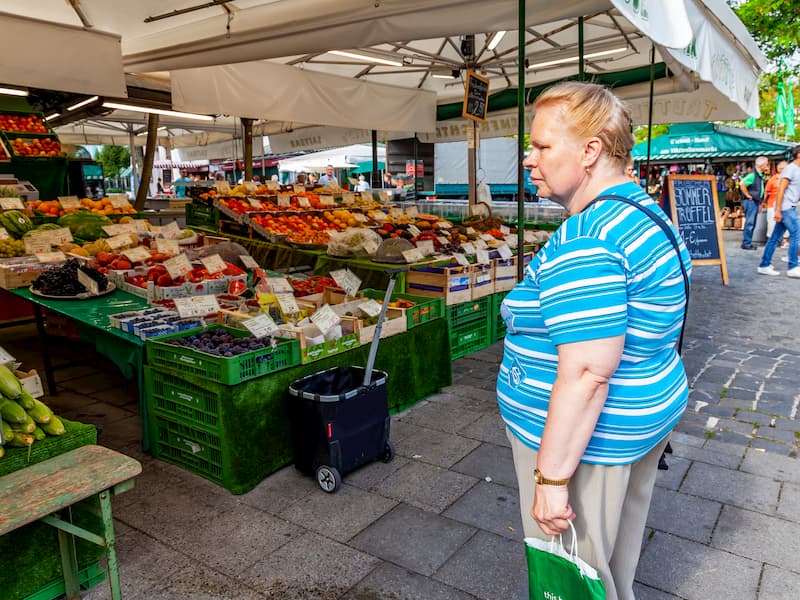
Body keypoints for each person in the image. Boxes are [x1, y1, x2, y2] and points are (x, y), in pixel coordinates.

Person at [497, 81, 691, 600]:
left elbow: (586, 374)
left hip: (589, 446)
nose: (528, 159)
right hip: (640, 422)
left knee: (576, 580)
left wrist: (553, 482)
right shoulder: (646, 213)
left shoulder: (587, 238)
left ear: (590, 151)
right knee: (609, 569)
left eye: (541, 146)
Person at [757, 146, 800, 278]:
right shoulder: (791, 169)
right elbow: (781, 189)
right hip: (786, 207)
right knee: (796, 234)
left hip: (789, 207)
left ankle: (764, 265)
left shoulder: (797, 170)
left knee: (775, 237)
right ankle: (792, 266)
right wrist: (778, 210)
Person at [738, 156, 769, 249]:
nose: (767, 166)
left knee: (752, 223)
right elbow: (742, 184)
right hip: (751, 201)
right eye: (766, 164)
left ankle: (748, 242)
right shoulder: (753, 174)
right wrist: (747, 195)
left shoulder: (758, 174)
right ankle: (746, 243)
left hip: (755, 201)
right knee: (750, 223)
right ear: (762, 165)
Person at [763, 161, 787, 241]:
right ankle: (772, 240)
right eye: (785, 168)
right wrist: (763, 203)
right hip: (773, 204)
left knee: (786, 222)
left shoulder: (788, 179)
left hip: (786, 204)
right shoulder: (773, 179)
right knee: (772, 222)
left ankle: (784, 240)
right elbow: (766, 192)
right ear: (780, 169)